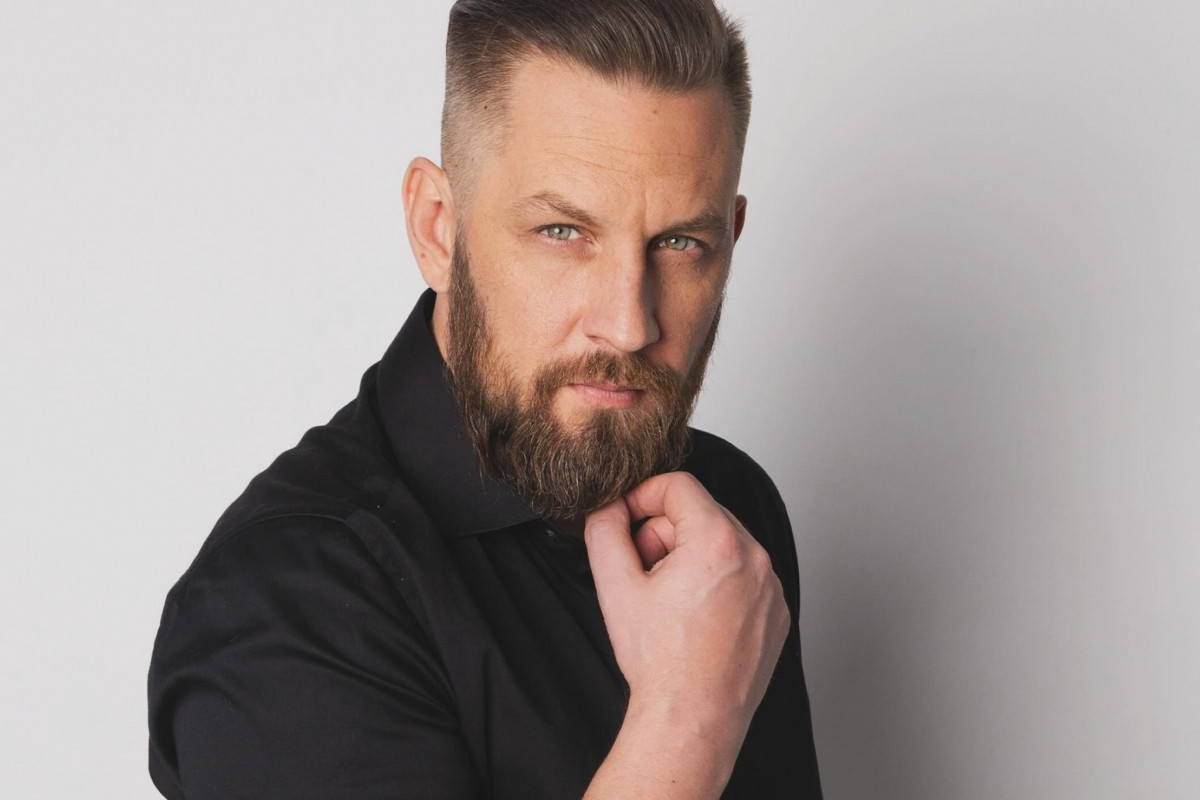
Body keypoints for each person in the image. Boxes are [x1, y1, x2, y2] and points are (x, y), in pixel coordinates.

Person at [147, 0, 822, 797]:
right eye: (563, 232)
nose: (628, 324)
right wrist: (689, 717)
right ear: (438, 228)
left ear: (730, 241)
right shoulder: (282, 602)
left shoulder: (729, 516)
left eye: (680, 244)